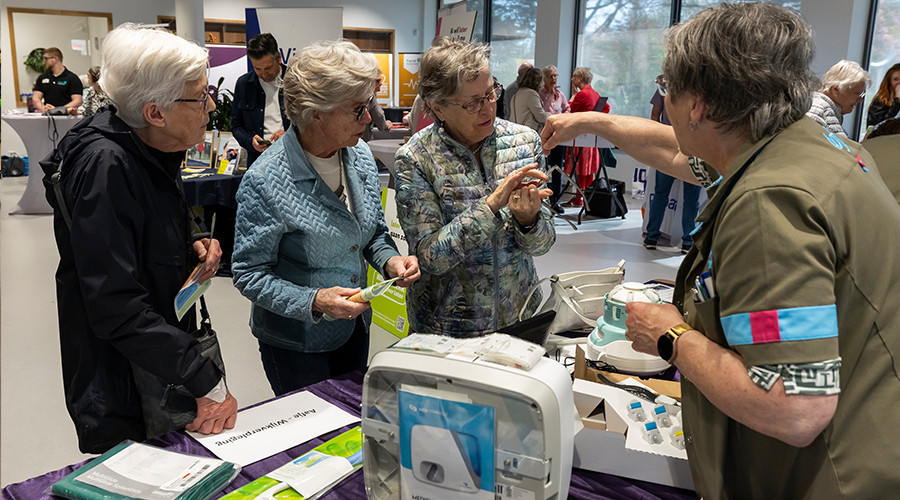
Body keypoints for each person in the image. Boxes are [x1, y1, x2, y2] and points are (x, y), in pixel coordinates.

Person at [543, 3, 900, 498]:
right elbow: (674, 151)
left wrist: (671, 337)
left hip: (824, 476)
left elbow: (795, 407)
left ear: (699, 105)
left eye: (668, 87)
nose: (665, 100)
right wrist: (593, 124)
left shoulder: (770, 204)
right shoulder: (815, 149)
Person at [40, 24, 237, 454]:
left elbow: (146, 220)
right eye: (200, 96)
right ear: (155, 112)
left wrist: (194, 238)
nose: (210, 107)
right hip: (124, 382)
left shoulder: (146, 143)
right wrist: (202, 378)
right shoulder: (104, 167)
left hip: (157, 362)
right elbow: (114, 304)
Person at [231, 40, 420, 396]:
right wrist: (315, 301)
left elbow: (372, 233)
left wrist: (391, 261)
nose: (368, 120)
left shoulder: (359, 156)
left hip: (353, 329)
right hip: (294, 343)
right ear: (316, 112)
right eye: (357, 110)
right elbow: (248, 273)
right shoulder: (266, 180)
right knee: (311, 444)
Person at [394, 38, 555, 337]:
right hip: (447, 328)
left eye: (491, 92)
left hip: (518, 317)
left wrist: (529, 221)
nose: (488, 108)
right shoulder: (416, 157)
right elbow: (431, 256)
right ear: (437, 108)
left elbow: (542, 245)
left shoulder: (522, 142)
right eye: (471, 103)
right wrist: (492, 206)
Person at [643, 74, 701, 253]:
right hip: (693, 146)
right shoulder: (699, 87)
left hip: (668, 146)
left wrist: (656, 141)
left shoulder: (664, 84)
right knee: (691, 198)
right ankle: (688, 241)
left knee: (660, 194)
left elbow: (654, 115)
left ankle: (652, 237)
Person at [231, 33, 290, 166]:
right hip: (258, 161)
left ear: (279, 58)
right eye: (257, 68)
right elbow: (236, 125)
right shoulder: (244, 84)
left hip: (292, 157)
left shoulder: (296, 80)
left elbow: (311, 123)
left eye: (268, 68)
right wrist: (250, 141)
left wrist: (290, 136)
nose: (263, 74)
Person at [564, 66, 608, 207]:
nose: (572, 79)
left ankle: (579, 198)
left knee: (580, 169)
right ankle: (581, 197)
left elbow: (569, 111)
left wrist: (572, 97)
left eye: (574, 77)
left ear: (580, 78)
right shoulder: (594, 93)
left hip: (581, 138)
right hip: (591, 138)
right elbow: (606, 107)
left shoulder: (582, 94)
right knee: (586, 170)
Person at [806, 60, 870, 137]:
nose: (860, 100)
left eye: (861, 95)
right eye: (856, 93)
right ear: (835, 90)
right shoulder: (817, 111)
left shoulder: (827, 111)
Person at [539, 64, 570, 214]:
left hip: (558, 137)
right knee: (543, 168)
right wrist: (550, 95)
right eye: (550, 76)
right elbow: (542, 111)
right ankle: (541, 200)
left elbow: (567, 109)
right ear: (544, 78)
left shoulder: (561, 95)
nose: (553, 78)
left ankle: (555, 200)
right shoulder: (540, 94)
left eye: (555, 75)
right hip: (544, 136)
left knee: (557, 168)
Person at [32, 47, 83, 113]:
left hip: (67, 117)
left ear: (55, 59)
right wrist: (43, 109)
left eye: (46, 58)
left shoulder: (72, 78)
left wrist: (59, 110)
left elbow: (77, 100)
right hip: (48, 116)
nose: (44, 61)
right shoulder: (42, 78)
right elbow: (36, 98)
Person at [509, 67, 550, 132]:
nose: (543, 85)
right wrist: (551, 114)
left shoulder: (516, 94)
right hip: (528, 132)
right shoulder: (531, 94)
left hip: (517, 131)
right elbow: (540, 116)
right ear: (538, 82)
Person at [867, 62, 900, 128]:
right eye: (896, 79)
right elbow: (880, 127)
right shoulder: (880, 100)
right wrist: (897, 101)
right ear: (889, 82)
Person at [362, 72, 393, 141]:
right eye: (377, 81)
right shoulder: (370, 95)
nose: (381, 83)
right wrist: (386, 124)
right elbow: (379, 118)